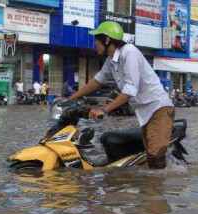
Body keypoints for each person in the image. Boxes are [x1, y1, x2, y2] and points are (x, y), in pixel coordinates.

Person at [68, 21, 175, 169]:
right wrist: (70, 98)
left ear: (107, 40)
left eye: (97, 40)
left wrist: (104, 110)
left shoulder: (129, 52)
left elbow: (130, 90)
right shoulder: (110, 60)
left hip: (158, 108)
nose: (95, 44)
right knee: (152, 159)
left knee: (155, 159)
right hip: (144, 113)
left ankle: (165, 188)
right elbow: (97, 80)